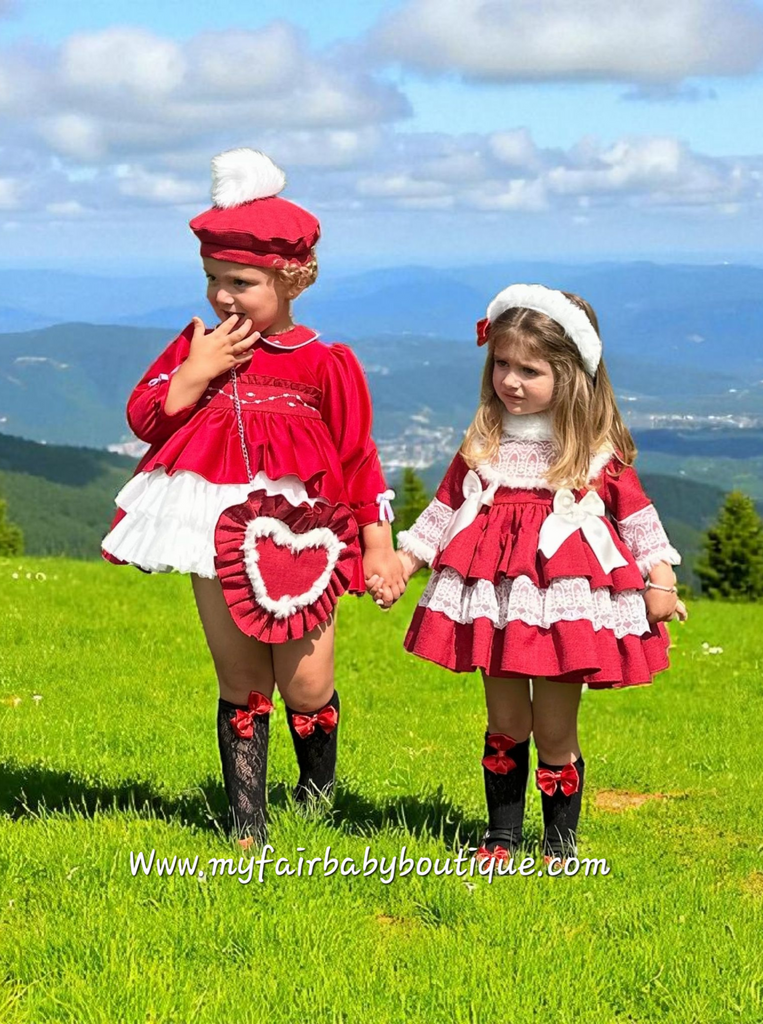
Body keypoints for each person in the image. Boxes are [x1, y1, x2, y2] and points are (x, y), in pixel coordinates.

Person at [102, 148, 404, 847]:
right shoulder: (197, 347)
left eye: (240, 281)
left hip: (305, 538)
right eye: (212, 278)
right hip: (216, 530)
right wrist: (195, 371)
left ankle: (316, 795)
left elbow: (357, 455)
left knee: (306, 685)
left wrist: (378, 543)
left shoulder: (325, 363)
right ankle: (247, 825)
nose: (222, 296)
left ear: (290, 279)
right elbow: (145, 417)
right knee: (239, 676)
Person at [370, 284, 687, 865]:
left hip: (565, 604)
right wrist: (403, 562)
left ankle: (559, 845)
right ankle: (502, 836)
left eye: (530, 370)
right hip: (496, 602)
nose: (510, 381)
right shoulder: (484, 442)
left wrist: (660, 578)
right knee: (506, 720)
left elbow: (637, 516)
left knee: (555, 728)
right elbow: (444, 509)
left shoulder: (593, 448)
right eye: (502, 364)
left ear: (570, 376)